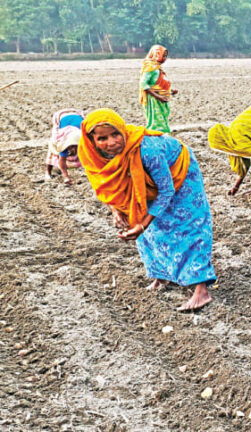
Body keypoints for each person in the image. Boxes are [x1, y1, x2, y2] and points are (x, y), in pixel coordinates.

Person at [78, 109, 216, 311]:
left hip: (180, 173)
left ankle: (201, 290)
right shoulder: (93, 156)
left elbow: (166, 190)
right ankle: (162, 276)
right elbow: (104, 186)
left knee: (188, 225)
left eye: (116, 134)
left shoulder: (146, 150)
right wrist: (116, 210)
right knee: (151, 228)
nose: (112, 142)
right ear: (93, 141)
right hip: (146, 179)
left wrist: (142, 225)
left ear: (123, 130)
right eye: (102, 138)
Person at [139, 45, 177, 133]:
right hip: (154, 99)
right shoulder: (150, 68)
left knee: (163, 118)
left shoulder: (157, 67)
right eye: (163, 55)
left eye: (166, 56)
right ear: (156, 55)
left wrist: (171, 91)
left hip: (162, 97)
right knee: (156, 120)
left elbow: (159, 82)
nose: (165, 58)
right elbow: (143, 84)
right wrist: (158, 97)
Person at [45, 109, 84, 185]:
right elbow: (62, 160)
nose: (71, 150)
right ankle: (48, 173)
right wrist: (65, 177)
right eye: (70, 147)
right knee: (53, 150)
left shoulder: (85, 137)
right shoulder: (61, 139)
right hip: (60, 117)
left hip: (76, 115)